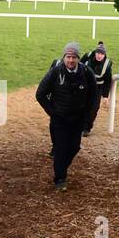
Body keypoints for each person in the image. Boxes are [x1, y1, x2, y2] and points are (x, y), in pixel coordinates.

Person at [36, 42, 99, 191]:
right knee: (61, 148)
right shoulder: (56, 72)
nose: (71, 60)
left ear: (78, 58)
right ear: (64, 57)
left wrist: (87, 117)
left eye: (74, 57)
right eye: (68, 57)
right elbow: (40, 94)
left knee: (74, 147)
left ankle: (61, 167)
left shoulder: (86, 72)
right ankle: (60, 178)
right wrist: (53, 112)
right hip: (60, 119)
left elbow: (93, 97)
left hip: (77, 119)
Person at [81, 41, 114, 136]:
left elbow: (107, 80)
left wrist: (105, 96)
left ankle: (86, 128)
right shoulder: (87, 57)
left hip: (97, 88)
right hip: (84, 85)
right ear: (95, 52)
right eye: (98, 53)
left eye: (102, 54)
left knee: (93, 108)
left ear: (104, 55)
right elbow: (78, 66)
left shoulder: (107, 65)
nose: (99, 55)